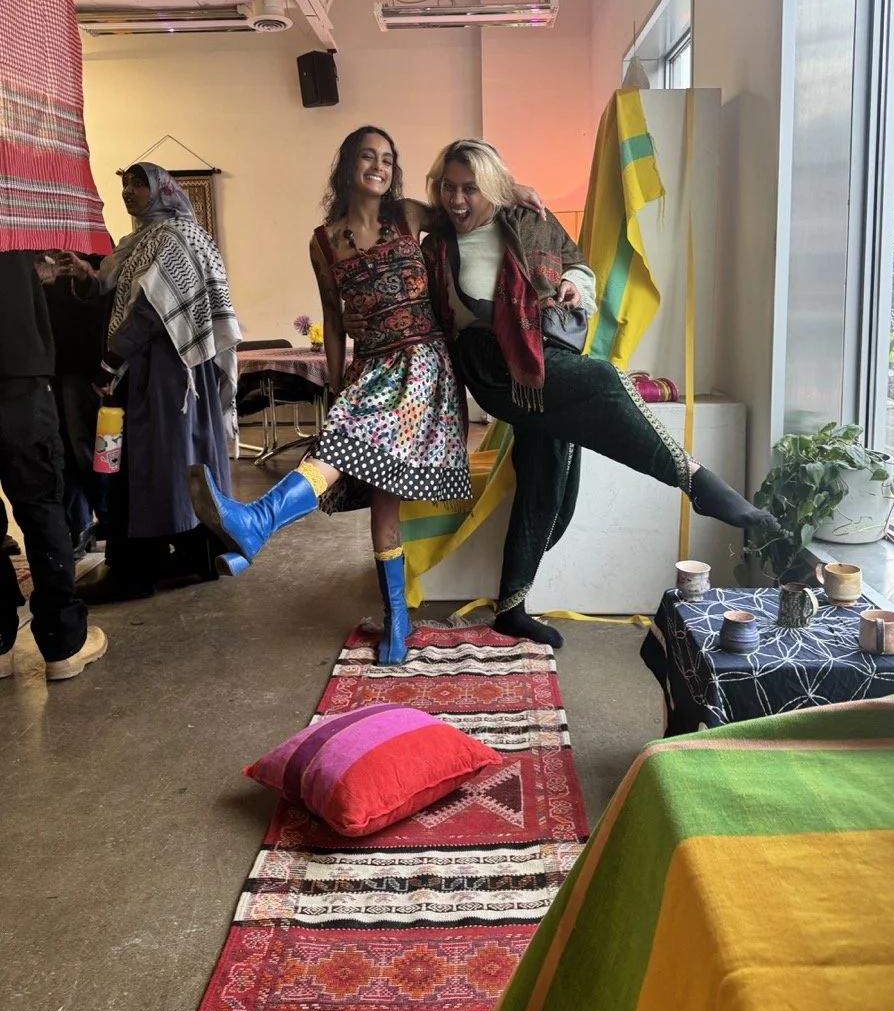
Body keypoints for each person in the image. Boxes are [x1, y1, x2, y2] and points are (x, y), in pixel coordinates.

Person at [420, 138, 780, 649]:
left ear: (493, 188)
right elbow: (409, 210)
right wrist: (497, 189)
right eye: (448, 187)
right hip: (497, 368)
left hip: (546, 356)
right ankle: (695, 480)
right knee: (607, 381)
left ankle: (511, 608)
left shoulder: (528, 218)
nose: (457, 199)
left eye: (470, 188)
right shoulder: (435, 240)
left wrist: (573, 286)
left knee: (548, 480)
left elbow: (577, 263)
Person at [187, 126, 476, 666]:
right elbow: (333, 315)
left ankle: (257, 523)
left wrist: (517, 199)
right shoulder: (323, 240)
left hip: (421, 364)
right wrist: (338, 380)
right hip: (370, 368)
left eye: (388, 158)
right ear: (347, 166)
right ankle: (397, 624)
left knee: (340, 453)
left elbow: (468, 207)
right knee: (373, 488)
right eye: (368, 156)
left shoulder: (410, 216)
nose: (379, 165)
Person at [58, 163, 241, 602]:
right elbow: (117, 288)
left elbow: (150, 310)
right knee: (184, 461)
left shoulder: (173, 239)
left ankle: (134, 570)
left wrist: (110, 361)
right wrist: (88, 275)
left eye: (138, 184)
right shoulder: (142, 240)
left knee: (147, 465)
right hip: (176, 374)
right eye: (124, 184)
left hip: (164, 374)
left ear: (162, 190)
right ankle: (201, 557)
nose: (129, 192)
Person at [0, 250, 107, 680]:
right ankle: (64, 643)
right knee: (41, 507)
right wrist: (31, 272)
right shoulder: (18, 214)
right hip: (20, 377)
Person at [38, 251, 112, 556]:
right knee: (63, 450)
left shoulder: (93, 243)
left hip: (93, 367)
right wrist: (36, 279)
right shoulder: (31, 247)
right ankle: (79, 523)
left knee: (103, 450)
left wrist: (85, 277)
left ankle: (110, 519)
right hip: (50, 366)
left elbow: (109, 298)